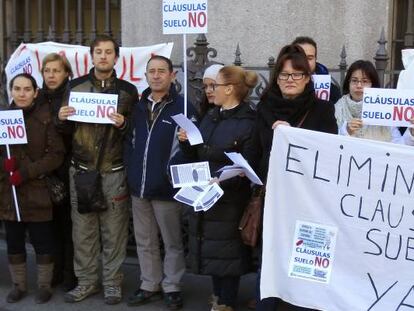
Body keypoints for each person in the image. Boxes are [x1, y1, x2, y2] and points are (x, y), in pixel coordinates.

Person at [254, 44, 338, 311]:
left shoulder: (322, 110)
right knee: (271, 258)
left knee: (304, 261)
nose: (289, 80)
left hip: (308, 201)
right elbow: (257, 152)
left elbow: (329, 154)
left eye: (296, 74)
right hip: (274, 198)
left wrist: (295, 137)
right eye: (284, 75)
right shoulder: (265, 108)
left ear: (306, 78)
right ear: (276, 77)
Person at [57, 35, 138, 304]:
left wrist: (124, 124)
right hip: (81, 171)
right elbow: (66, 132)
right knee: (83, 232)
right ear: (92, 56)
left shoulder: (128, 91)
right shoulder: (76, 86)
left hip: (113, 171)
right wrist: (62, 119)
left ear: (116, 57)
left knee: (114, 232)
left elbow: (135, 134)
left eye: (108, 52)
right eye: (98, 52)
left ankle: (112, 283)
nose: (103, 56)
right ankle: (87, 282)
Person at [177, 65, 258, 311]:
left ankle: (226, 301)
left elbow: (249, 165)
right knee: (211, 249)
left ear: (230, 89)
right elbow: (198, 151)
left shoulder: (248, 122)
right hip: (206, 194)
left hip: (230, 200)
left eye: (216, 86)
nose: (211, 90)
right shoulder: (211, 115)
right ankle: (218, 297)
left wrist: (223, 179)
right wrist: (186, 142)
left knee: (228, 253)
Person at [124, 55, 198, 310]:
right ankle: (149, 283)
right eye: (151, 72)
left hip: (166, 188)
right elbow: (130, 141)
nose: (156, 76)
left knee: (172, 241)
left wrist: (186, 143)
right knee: (145, 241)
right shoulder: (138, 106)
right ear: (145, 76)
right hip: (139, 187)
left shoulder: (184, 108)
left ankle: (172, 286)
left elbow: (192, 150)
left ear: (172, 76)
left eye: (161, 71)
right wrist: (132, 173)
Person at [0, 73, 65, 304]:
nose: (22, 93)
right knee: (14, 241)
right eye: (17, 89)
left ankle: (44, 286)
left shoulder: (46, 116)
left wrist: (26, 172)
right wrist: (4, 165)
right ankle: (18, 286)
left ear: (35, 92)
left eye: (27, 89)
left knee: (43, 241)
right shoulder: (3, 118)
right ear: (11, 91)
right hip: (10, 194)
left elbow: (56, 155)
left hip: (38, 190)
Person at [38, 53, 77, 291]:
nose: (51, 75)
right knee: (48, 226)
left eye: (56, 70)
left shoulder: (73, 97)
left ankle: (70, 274)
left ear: (66, 73)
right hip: (43, 173)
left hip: (67, 170)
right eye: (47, 71)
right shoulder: (37, 97)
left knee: (69, 226)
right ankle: (54, 272)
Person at [335, 60, 403, 142]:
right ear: (348, 83)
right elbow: (328, 143)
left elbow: (399, 145)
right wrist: (345, 131)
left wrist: (411, 134)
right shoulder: (338, 108)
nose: (359, 85)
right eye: (354, 80)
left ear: (372, 85)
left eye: (365, 81)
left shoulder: (384, 110)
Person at [292, 36, 341, 104]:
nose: (305, 62)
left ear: (315, 59)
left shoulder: (332, 91)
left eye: (310, 58)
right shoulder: (282, 86)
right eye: (300, 57)